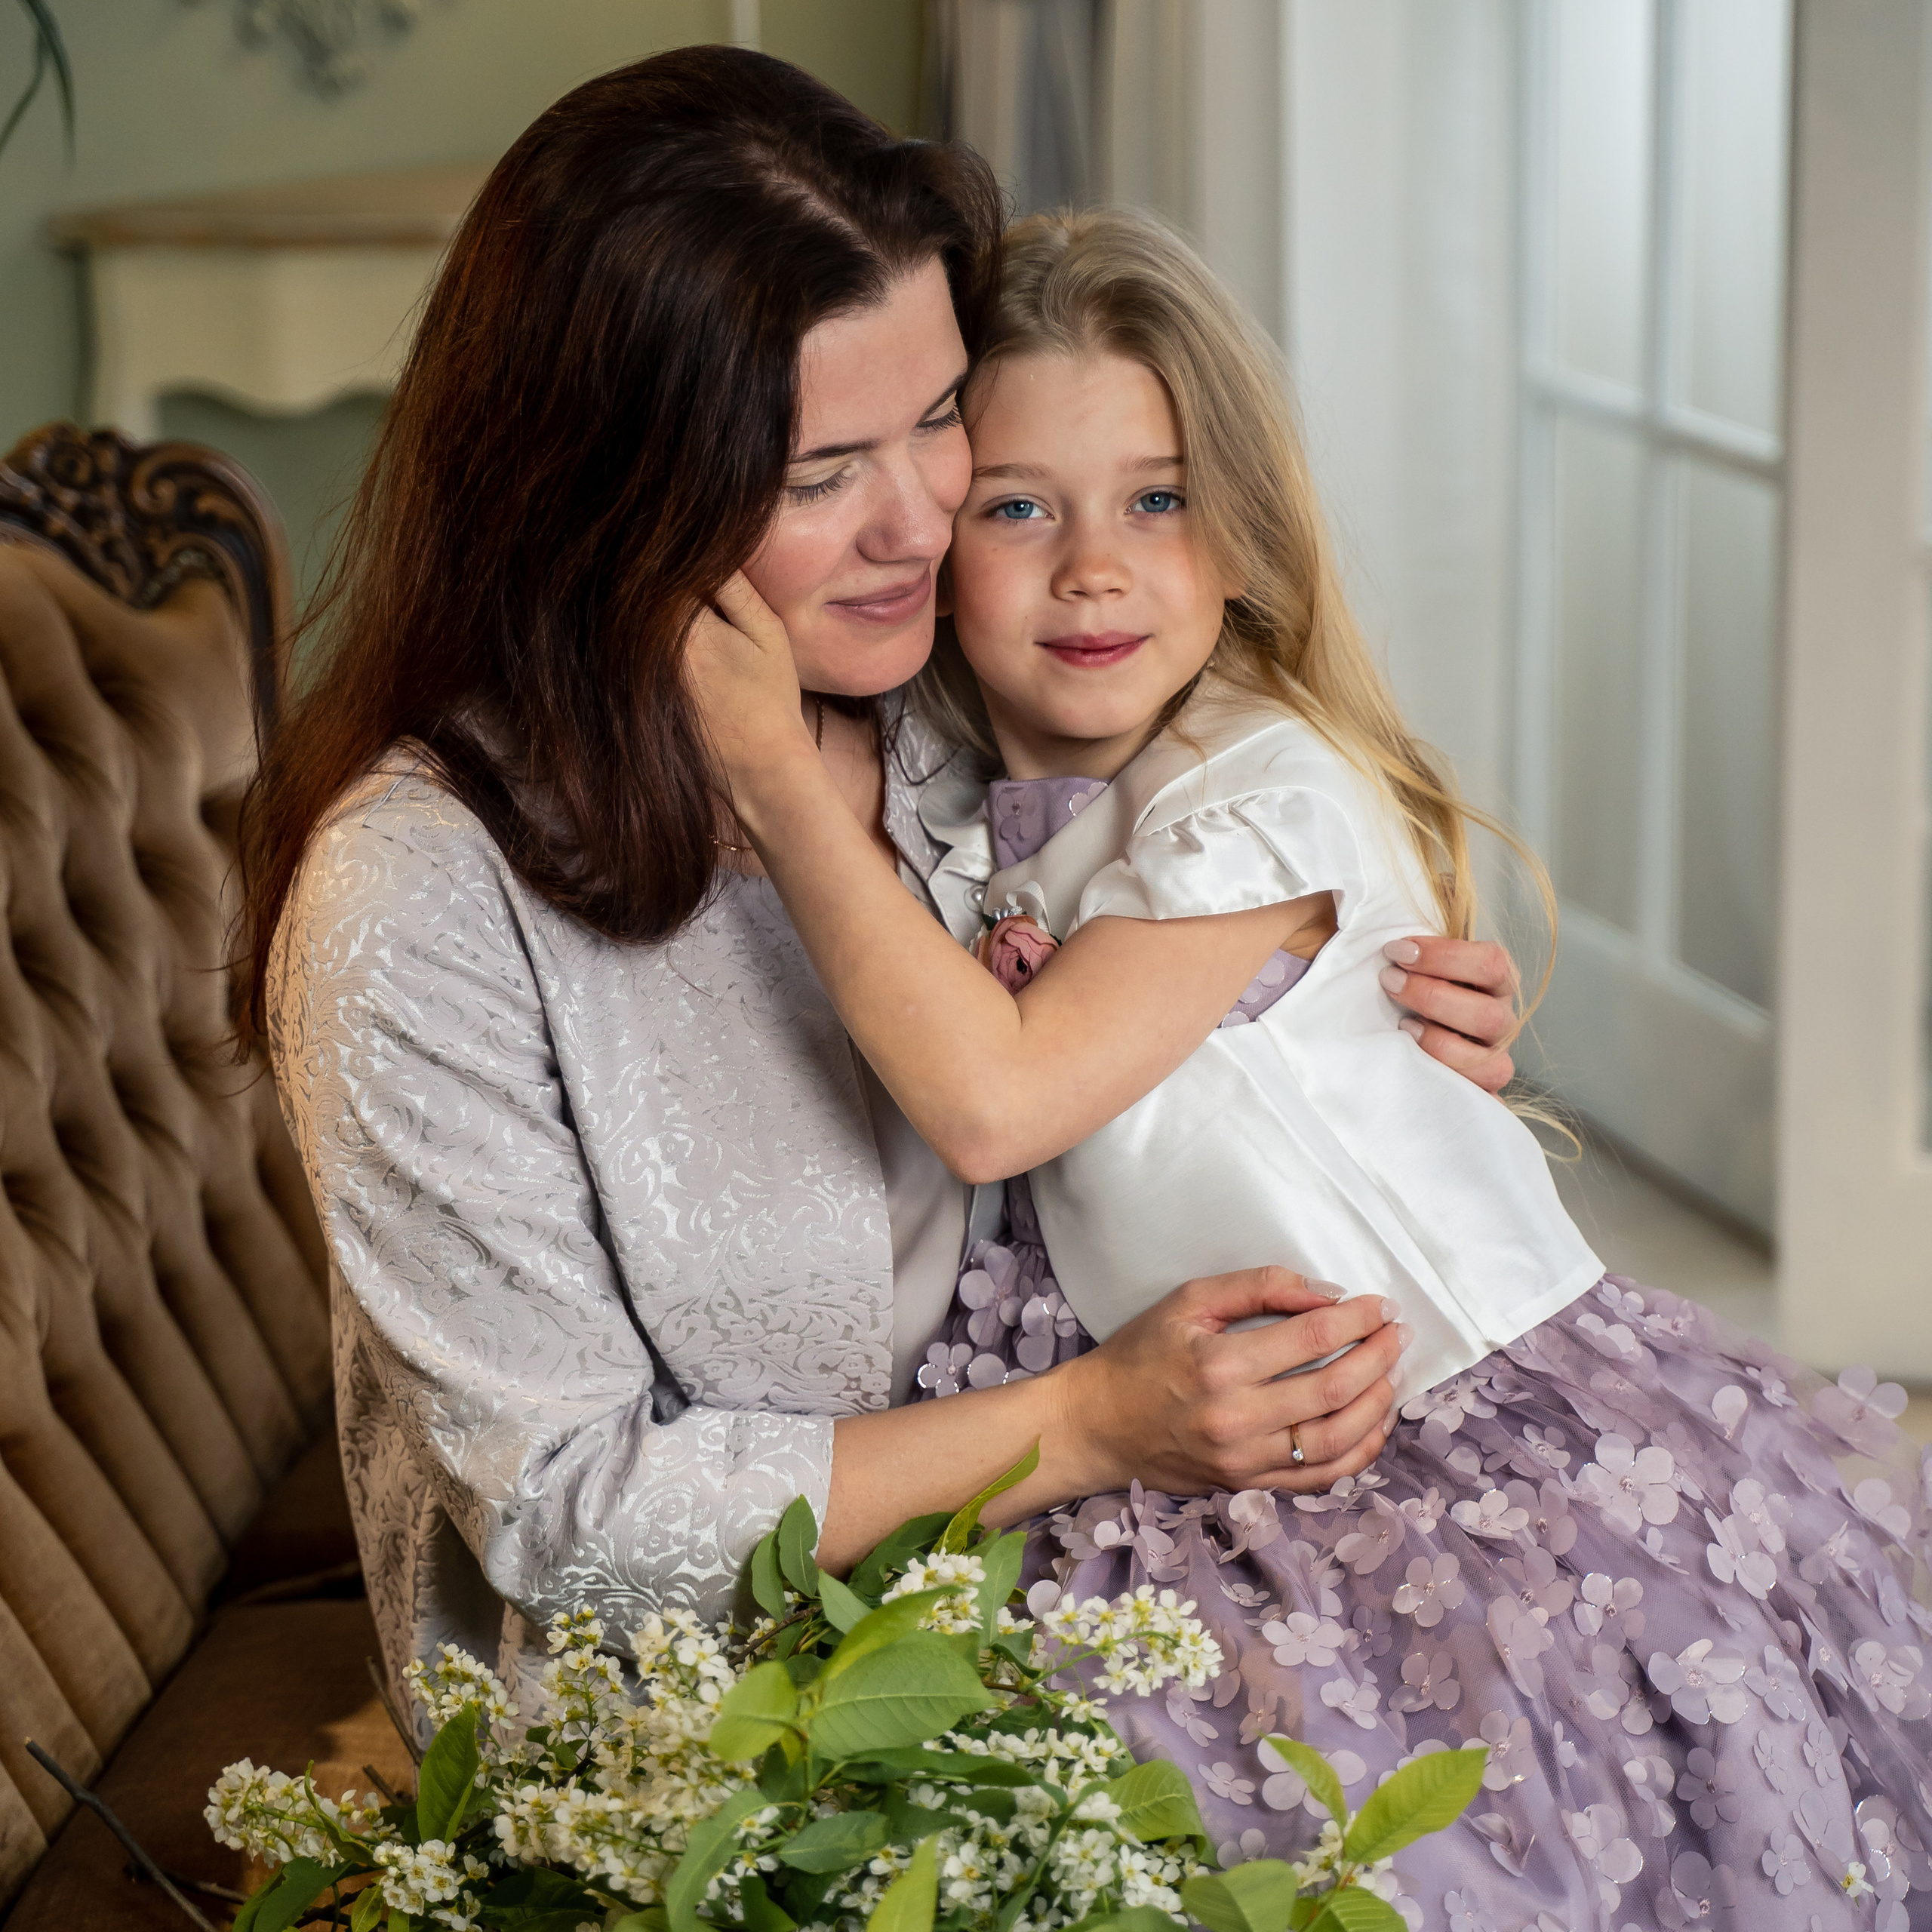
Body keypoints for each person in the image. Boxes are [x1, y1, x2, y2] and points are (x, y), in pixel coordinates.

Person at [246, 46, 1516, 1736]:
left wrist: (1355, 1021)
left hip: (1097, 1589)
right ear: (602, 497)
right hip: (715, 1737)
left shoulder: (948, 695)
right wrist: (1092, 1423)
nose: (922, 521)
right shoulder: (418, 898)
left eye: (935, 419)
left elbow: (1226, 866)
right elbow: (568, 1518)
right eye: (817, 473)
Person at [687, 209, 1932, 1929]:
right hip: (1214, 1449)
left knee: (1492, 1844)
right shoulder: (964, 801)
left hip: (1446, 1453)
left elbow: (992, 1099)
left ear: (1243, 535)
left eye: (1157, 499)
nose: (1093, 569)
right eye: (1019, 507)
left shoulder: (1255, 794)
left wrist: (763, 765)